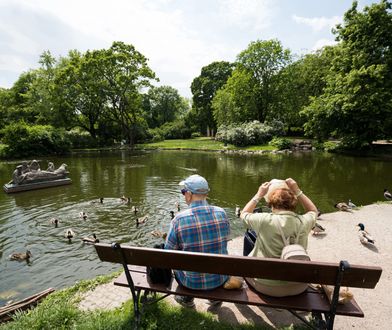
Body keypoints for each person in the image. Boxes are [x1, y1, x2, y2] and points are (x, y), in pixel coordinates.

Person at [240, 178, 317, 297]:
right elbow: (313, 210)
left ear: (271, 203)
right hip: (298, 286)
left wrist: (259, 194)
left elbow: (244, 213)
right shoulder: (304, 221)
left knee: (243, 267)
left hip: (266, 286)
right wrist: (297, 190)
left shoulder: (264, 220)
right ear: (294, 203)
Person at [165, 174, 230, 308]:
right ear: (206, 193)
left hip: (191, 282)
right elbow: (226, 239)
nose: (183, 195)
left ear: (189, 194)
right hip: (219, 278)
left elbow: (168, 253)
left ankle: (187, 299)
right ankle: (215, 299)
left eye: (183, 192)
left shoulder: (178, 220)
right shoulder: (222, 213)